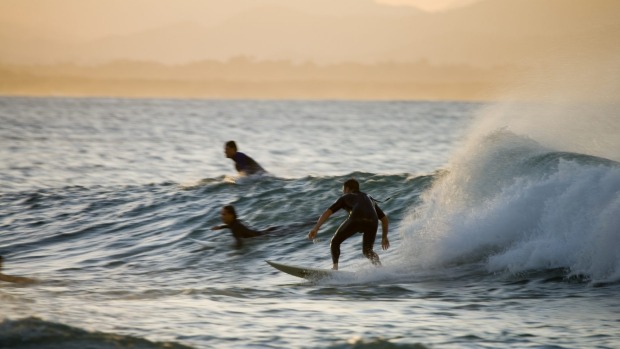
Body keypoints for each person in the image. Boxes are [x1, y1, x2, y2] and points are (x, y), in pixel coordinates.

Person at [307, 178, 389, 270]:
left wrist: (316, 228)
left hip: (357, 218)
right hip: (373, 221)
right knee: (367, 251)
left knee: (335, 242)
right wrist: (384, 237)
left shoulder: (345, 197)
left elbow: (328, 212)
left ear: (347, 189)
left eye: (343, 190)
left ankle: (335, 268)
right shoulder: (369, 198)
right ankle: (380, 269)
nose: (343, 192)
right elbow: (384, 219)